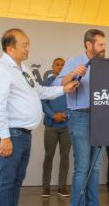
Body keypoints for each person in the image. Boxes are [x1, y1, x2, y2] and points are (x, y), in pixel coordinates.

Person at [0, 28, 78, 206]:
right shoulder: (1, 70)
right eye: (24, 45)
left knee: (15, 182)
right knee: (4, 183)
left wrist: (64, 89)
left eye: (28, 44)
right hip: (11, 134)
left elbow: (40, 91)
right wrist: (4, 136)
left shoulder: (23, 68)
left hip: (23, 135)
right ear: (10, 48)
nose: (28, 48)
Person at [55, 29, 106, 206]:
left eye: (104, 44)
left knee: (96, 168)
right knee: (82, 168)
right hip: (80, 117)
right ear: (88, 45)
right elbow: (57, 84)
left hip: (101, 118)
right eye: (100, 44)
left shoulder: (105, 64)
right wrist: (73, 74)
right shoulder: (74, 62)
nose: (103, 48)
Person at [40, 58, 71, 197]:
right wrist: (53, 115)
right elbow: (42, 102)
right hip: (51, 126)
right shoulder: (47, 83)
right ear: (52, 66)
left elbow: (75, 103)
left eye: (62, 65)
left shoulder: (70, 83)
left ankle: (61, 187)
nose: (60, 67)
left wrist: (65, 114)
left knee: (65, 156)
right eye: (57, 64)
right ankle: (46, 187)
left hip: (67, 126)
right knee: (49, 156)